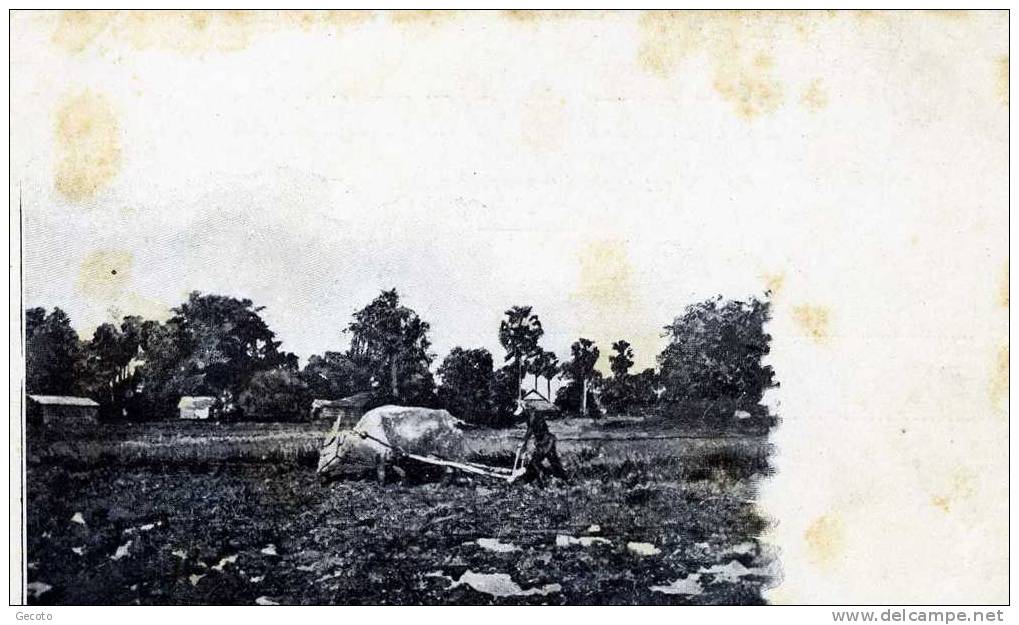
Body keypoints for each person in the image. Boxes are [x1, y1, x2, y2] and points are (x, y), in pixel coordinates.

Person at [513, 399, 569, 485]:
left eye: (521, 413)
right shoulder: (531, 414)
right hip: (549, 440)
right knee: (554, 461)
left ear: (524, 409)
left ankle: (542, 483)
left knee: (535, 462)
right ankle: (565, 479)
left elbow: (530, 430)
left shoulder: (532, 415)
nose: (521, 416)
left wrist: (523, 441)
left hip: (545, 442)